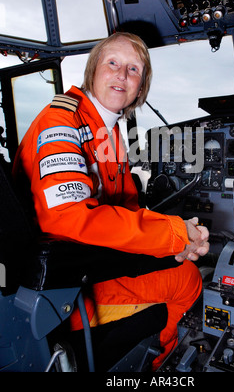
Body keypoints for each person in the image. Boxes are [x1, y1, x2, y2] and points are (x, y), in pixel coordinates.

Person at [13, 32, 209, 370]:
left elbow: (126, 212)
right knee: (187, 281)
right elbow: (69, 218)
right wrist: (172, 234)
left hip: (86, 265)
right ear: (93, 70)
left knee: (183, 267)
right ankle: (158, 365)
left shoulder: (106, 130)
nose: (122, 75)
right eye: (113, 63)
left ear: (141, 86)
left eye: (134, 69)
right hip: (58, 292)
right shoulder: (60, 122)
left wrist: (172, 242)